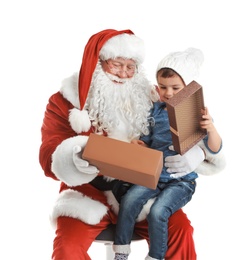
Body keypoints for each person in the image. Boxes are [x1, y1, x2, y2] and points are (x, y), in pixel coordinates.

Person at [39, 29, 226, 260]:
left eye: (131, 66)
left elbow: (190, 131)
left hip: (148, 192)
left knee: (181, 231)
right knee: (67, 248)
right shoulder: (65, 102)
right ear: (97, 63)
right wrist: (73, 158)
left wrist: (197, 153)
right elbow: (48, 154)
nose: (124, 74)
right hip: (89, 195)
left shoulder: (153, 96)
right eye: (116, 65)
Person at [112, 48, 223, 260]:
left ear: (188, 88)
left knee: (158, 212)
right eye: (163, 87)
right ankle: (121, 251)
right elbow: (147, 137)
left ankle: (155, 256)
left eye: (175, 88)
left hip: (181, 181)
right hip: (154, 175)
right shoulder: (155, 110)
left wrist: (211, 129)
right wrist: (141, 144)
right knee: (129, 200)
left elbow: (215, 148)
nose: (169, 93)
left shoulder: (197, 113)